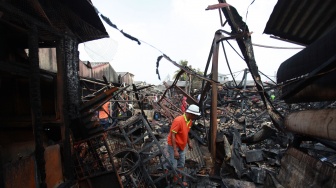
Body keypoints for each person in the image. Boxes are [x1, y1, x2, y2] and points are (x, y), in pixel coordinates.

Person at [167, 104, 200, 186]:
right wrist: (175, 151)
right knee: (174, 165)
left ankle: (177, 180)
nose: (195, 117)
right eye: (195, 115)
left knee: (181, 163)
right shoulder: (178, 120)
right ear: (191, 114)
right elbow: (172, 135)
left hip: (182, 145)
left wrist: (189, 142)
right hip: (174, 145)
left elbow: (186, 132)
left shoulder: (189, 121)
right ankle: (168, 175)